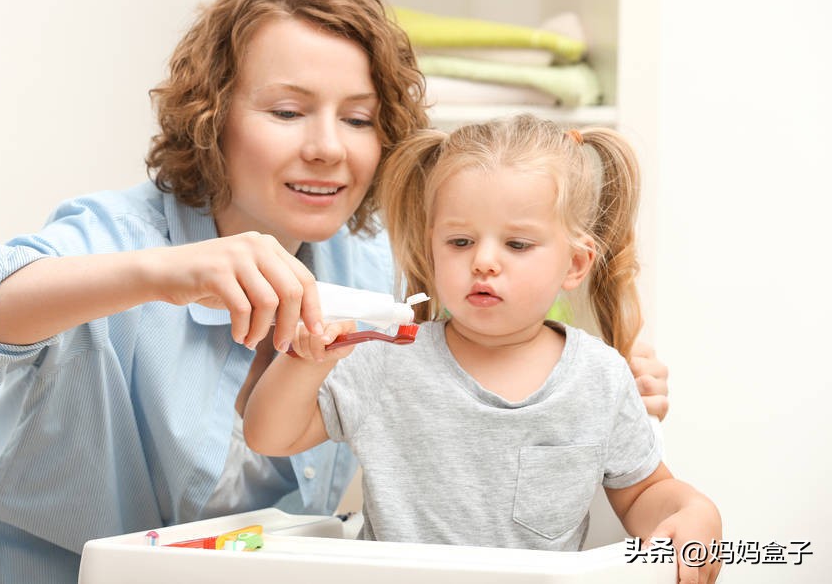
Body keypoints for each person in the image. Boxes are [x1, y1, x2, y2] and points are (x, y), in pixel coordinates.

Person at [0, 0, 669, 583]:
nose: (328, 146)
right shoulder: (118, 240)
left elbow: (486, 362)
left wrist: (593, 378)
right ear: (212, 118)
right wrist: (159, 276)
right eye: (287, 112)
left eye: (357, 119)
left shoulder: (381, 267)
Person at [243, 116, 720, 584]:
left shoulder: (599, 376)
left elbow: (641, 496)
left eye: (516, 243)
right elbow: (270, 437)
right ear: (432, 248)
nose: (484, 261)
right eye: (460, 241)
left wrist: (692, 509)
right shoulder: (386, 358)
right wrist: (305, 362)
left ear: (575, 263)